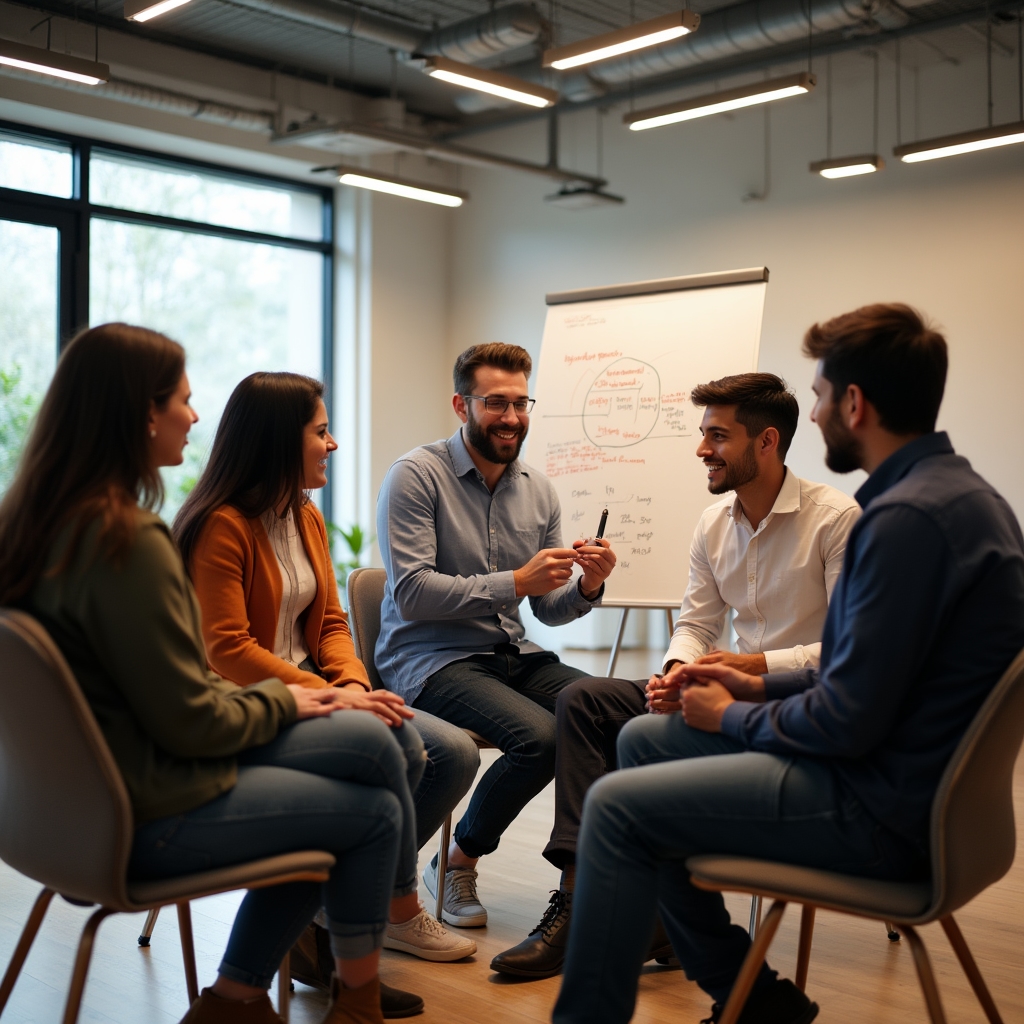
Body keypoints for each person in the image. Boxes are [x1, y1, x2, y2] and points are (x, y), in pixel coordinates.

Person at [552, 304, 1024, 1024]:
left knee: (620, 807)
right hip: (914, 780)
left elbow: (846, 719)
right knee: (641, 739)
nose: (818, 411)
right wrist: (752, 680)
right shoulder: (958, 498)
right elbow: (872, 674)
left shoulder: (897, 522)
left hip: (885, 808)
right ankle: (756, 1004)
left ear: (854, 404)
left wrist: (732, 711)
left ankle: (675, 1002)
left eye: (820, 395)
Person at [0, 323, 426, 1024]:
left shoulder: (38, 525)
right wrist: (293, 704)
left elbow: (163, 700)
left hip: (52, 818)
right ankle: (339, 1004)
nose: (195, 417)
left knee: (372, 749)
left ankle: (241, 997)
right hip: (140, 810)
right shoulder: (127, 539)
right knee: (373, 806)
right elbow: (192, 719)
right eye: (184, 400)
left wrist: (316, 696)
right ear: (143, 413)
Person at [492, 372, 860, 978]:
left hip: (793, 698)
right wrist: (674, 673)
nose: (701, 450)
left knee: (634, 736)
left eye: (717, 436)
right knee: (584, 700)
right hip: (721, 683)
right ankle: (582, 894)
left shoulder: (836, 520)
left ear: (766, 442)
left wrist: (752, 665)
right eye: (702, 434)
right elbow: (695, 626)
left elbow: (848, 652)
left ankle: (616, 915)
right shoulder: (713, 524)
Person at [172, 373, 479, 1005]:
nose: (333, 444)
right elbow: (226, 649)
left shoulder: (304, 515)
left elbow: (332, 623)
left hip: (319, 687)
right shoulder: (221, 525)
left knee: (452, 751)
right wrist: (343, 701)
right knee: (400, 748)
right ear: (280, 441)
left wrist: (353, 684)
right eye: (320, 431)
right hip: (249, 698)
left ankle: (335, 912)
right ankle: (388, 915)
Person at [375, 342, 617, 928]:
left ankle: (593, 887)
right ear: (462, 405)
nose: (510, 417)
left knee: (608, 715)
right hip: (430, 657)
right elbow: (412, 591)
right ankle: (456, 863)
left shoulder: (539, 489)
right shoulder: (415, 476)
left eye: (520, 402)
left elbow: (549, 610)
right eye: (495, 403)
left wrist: (586, 588)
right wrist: (515, 581)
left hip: (512, 652)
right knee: (541, 738)